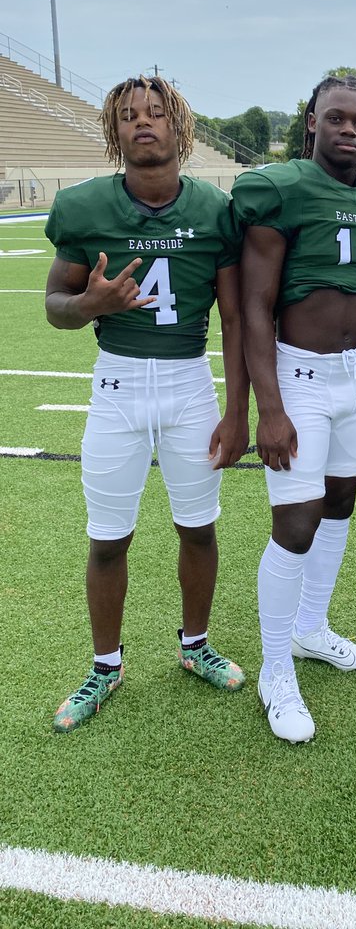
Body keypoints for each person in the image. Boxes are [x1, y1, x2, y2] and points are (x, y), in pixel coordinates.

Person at [45, 76, 249, 733]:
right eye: (129, 115)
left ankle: (195, 647)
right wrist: (88, 305)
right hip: (117, 385)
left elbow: (239, 319)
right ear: (114, 130)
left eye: (156, 113)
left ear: (179, 128)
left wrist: (239, 407)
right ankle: (106, 665)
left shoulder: (216, 212)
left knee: (199, 527)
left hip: (191, 384)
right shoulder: (83, 208)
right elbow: (55, 307)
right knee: (108, 539)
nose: (143, 123)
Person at [232, 74, 356, 744]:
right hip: (298, 375)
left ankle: (310, 628)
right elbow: (254, 305)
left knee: (339, 504)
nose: (349, 130)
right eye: (336, 118)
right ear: (312, 121)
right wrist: (269, 408)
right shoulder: (281, 189)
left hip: (355, 375)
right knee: (297, 522)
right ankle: (275, 670)